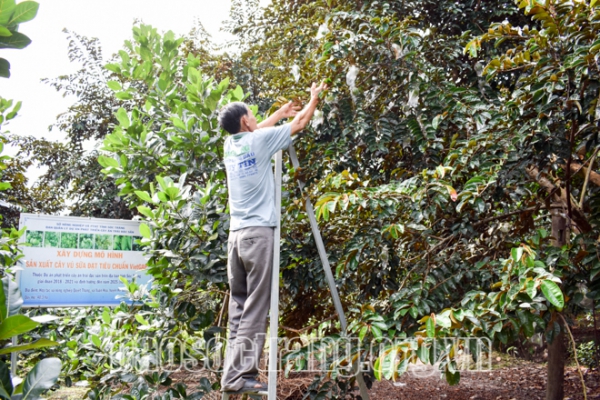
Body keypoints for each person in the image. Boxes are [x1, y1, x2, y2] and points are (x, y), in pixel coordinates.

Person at [218, 82, 328, 394]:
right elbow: (301, 123)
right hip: (258, 236)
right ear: (244, 121)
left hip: (236, 240)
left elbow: (257, 132)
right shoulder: (260, 141)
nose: (255, 117)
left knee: (239, 308)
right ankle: (245, 376)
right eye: (252, 114)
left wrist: (278, 112)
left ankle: (230, 376)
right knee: (256, 307)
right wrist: (313, 98)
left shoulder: (231, 146)